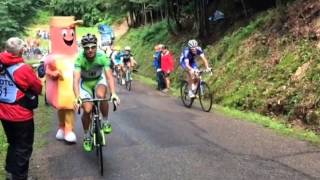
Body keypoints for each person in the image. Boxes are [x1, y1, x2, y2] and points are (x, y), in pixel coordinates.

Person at [0, 37, 42, 180]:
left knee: (13, 143)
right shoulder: (23, 69)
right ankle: (20, 177)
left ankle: (11, 173)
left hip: (3, 112)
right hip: (20, 115)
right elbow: (37, 87)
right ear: (21, 51)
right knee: (23, 148)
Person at [73, 34, 120, 152]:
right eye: (87, 47)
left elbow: (109, 77)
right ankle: (86, 136)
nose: (90, 50)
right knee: (87, 110)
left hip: (99, 80)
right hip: (85, 85)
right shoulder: (79, 58)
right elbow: (76, 79)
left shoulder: (102, 56)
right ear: (83, 48)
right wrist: (77, 97)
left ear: (96, 47)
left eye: (93, 47)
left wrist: (113, 93)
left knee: (101, 96)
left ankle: (105, 121)